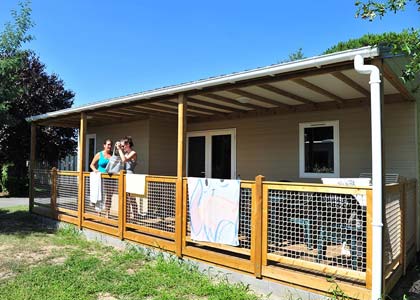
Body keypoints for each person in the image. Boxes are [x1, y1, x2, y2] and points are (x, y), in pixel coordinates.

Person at [116, 136, 139, 221]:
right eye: (121, 146)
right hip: (124, 176)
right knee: (125, 199)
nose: (122, 148)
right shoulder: (124, 153)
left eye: (123, 146)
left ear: (128, 144)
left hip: (131, 176)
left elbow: (124, 160)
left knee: (132, 199)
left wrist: (119, 149)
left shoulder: (133, 153)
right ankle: (127, 217)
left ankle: (135, 217)